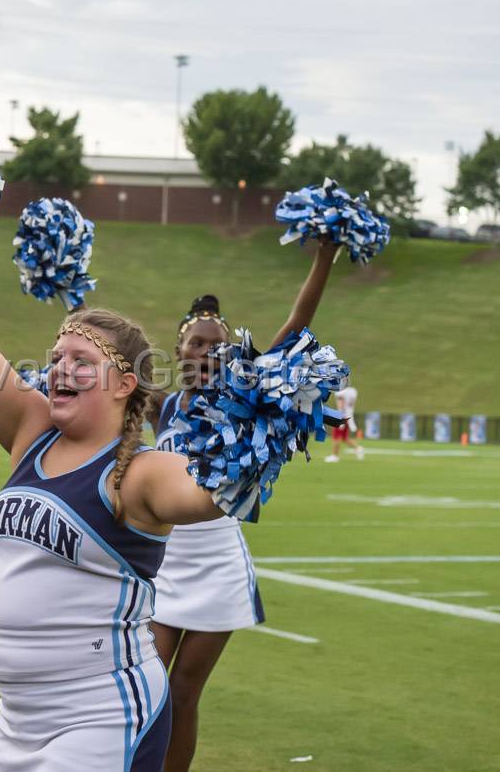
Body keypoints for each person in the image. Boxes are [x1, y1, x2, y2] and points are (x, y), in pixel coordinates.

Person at [0, 256, 238, 770]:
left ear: (124, 384)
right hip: (17, 719)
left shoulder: (137, 471)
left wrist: (261, 431)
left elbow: (206, 495)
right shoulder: (30, 430)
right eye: (57, 356)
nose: (61, 367)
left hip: (102, 715)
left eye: (82, 361)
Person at [151, 240, 337, 772]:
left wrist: (323, 257)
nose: (208, 352)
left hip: (218, 568)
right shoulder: (159, 406)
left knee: (183, 695)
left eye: (219, 345)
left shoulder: (244, 397)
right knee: (146, 688)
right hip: (163, 568)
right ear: (179, 349)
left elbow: (298, 324)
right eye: (198, 343)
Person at [324, 378, 362, 463]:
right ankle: (358, 448)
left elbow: (341, 405)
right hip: (349, 416)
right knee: (345, 438)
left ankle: (335, 456)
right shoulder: (353, 391)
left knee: (336, 437)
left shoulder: (341, 392)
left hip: (342, 417)